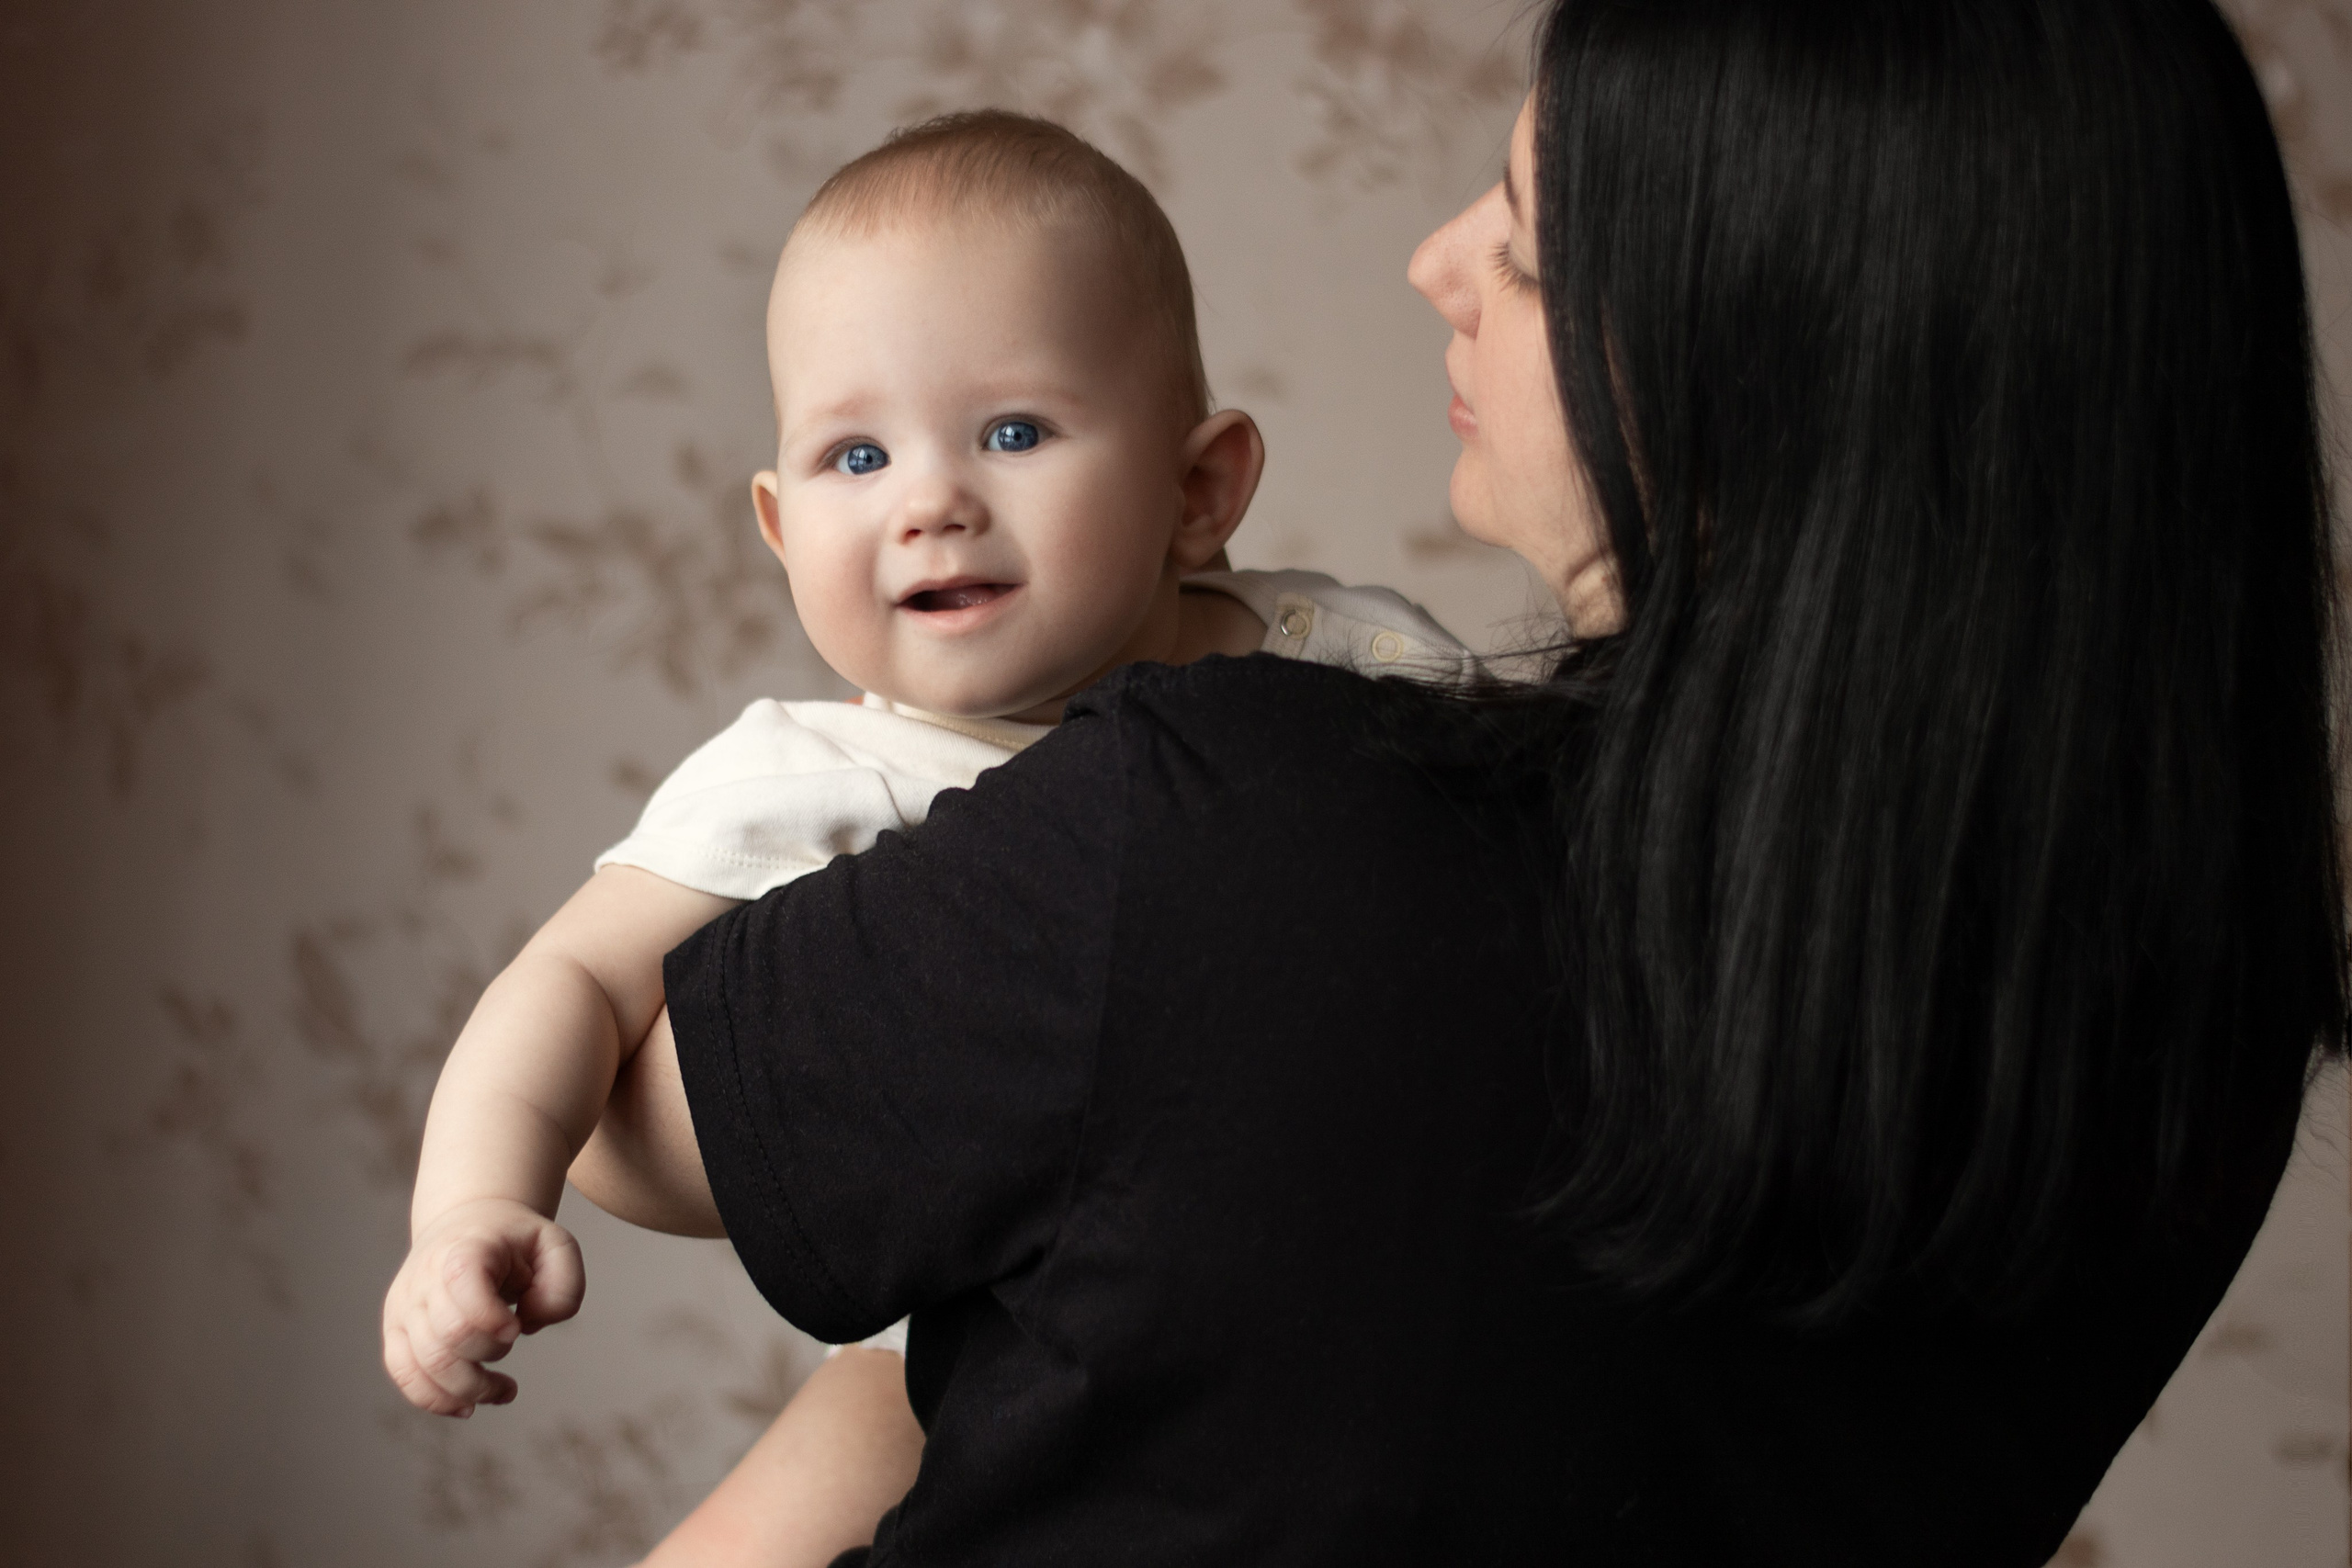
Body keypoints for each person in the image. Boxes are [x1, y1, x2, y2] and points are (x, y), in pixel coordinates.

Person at [566, 0, 2349, 1562]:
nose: (1435, 259)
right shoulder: (2181, 1039)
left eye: (1518, 233)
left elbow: (639, 1112)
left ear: (1746, 348)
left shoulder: (1250, 834)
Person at [378, 109, 1475, 1566]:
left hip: (1315, 1331)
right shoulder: (824, 766)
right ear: (776, 527)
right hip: (959, 1342)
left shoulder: (1347, 662)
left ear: (1199, 490)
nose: (930, 503)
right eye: (853, 456)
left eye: (1012, 433)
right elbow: (571, 982)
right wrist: (470, 1209)